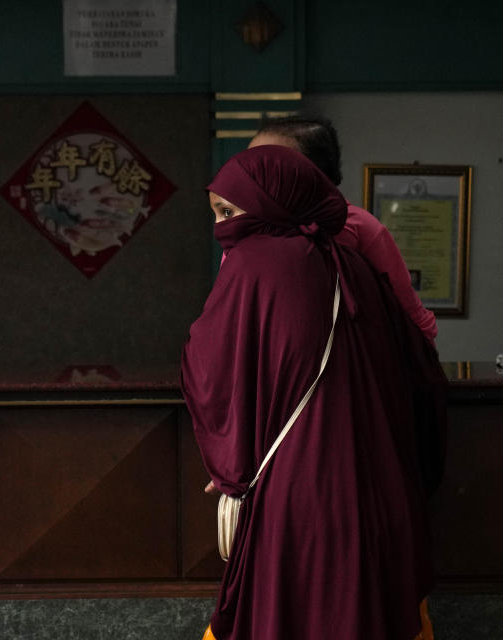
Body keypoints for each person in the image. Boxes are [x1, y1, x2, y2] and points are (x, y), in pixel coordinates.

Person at [181, 145, 446, 639]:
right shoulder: (353, 265)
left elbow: (213, 368)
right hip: (380, 487)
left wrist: (230, 467)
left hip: (298, 490)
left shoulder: (255, 262)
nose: (222, 227)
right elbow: (417, 357)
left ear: (273, 201)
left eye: (228, 211)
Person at [248, 115, 438, 344]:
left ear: (311, 174)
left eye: (265, 166)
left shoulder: (362, 228)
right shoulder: (245, 232)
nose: (247, 176)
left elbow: (416, 324)